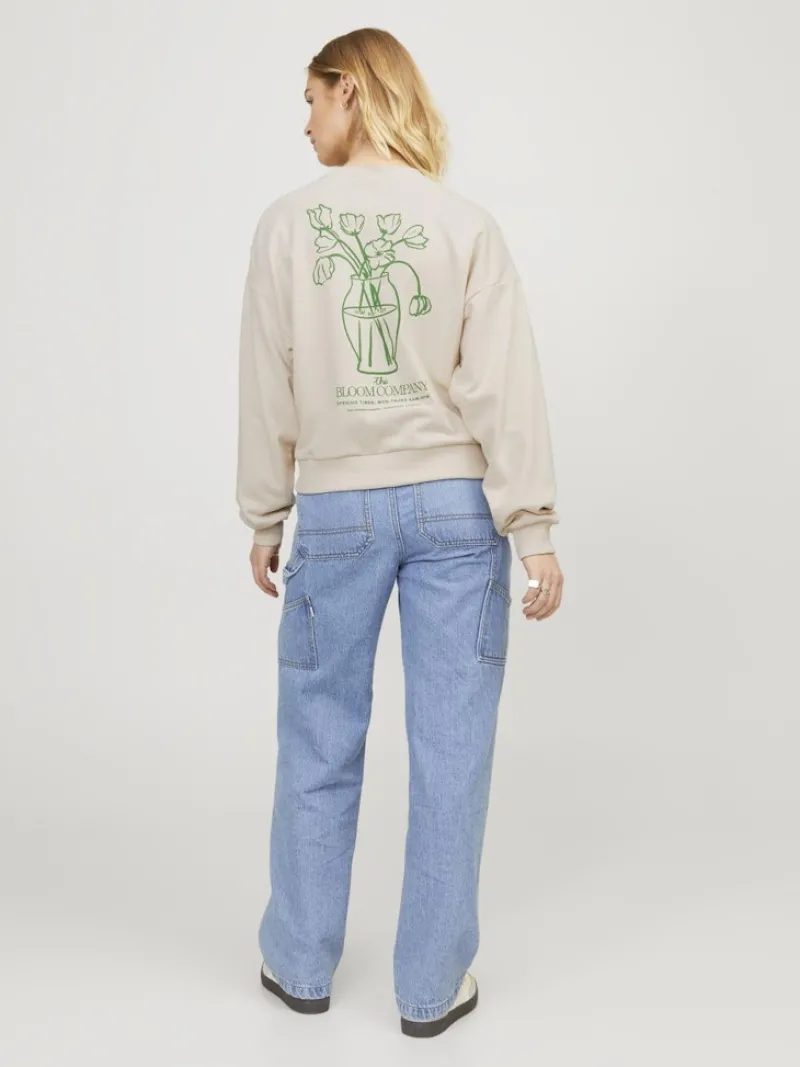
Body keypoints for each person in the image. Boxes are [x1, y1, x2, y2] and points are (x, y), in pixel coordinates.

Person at [235, 26, 564, 1038]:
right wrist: (532, 526)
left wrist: (265, 510)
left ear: (350, 89)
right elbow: (501, 384)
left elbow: (268, 379)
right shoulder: (463, 224)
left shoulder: (287, 225)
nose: (304, 122)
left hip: (336, 507)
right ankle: (431, 987)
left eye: (311, 98)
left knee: (317, 735)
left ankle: (299, 965)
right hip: (455, 509)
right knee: (452, 748)